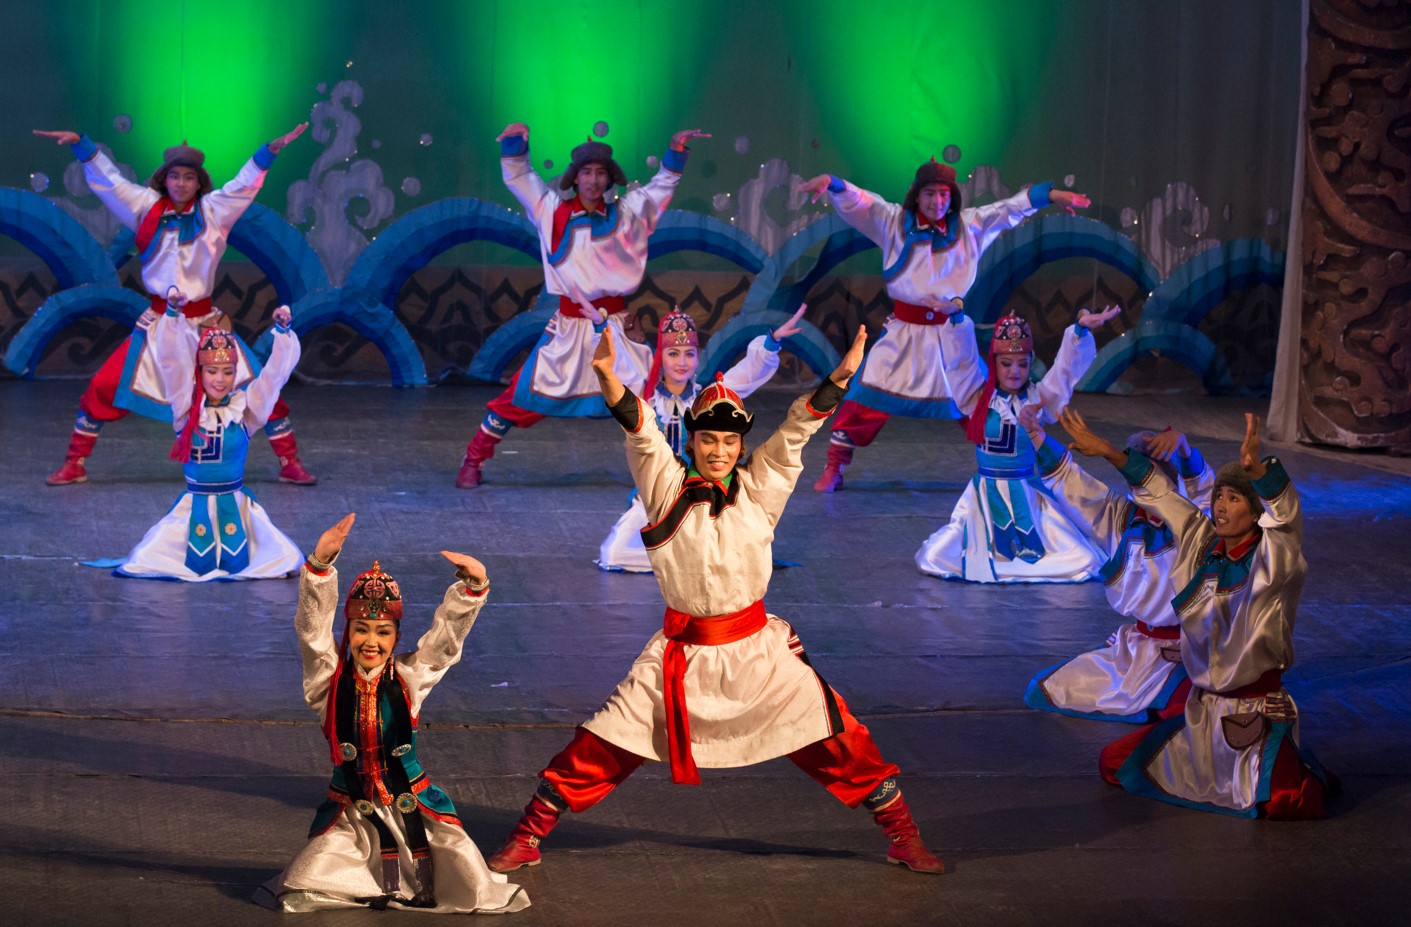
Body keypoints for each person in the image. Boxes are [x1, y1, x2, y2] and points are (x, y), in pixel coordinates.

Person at [485, 324, 945, 876]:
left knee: (840, 739)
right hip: (681, 655)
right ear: (693, 442)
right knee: (605, 742)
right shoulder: (665, 488)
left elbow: (798, 429)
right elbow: (641, 431)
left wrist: (840, 378)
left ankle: (903, 835)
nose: (720, 451)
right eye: (709, 440)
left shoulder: (760, 488)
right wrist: (607, 377)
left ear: (742, 446)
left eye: (730, 442)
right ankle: (528, 835)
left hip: (758, 654)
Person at [1060, 409, 1335, 819]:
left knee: (1287, 804)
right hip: (1203, 712)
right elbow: (1161, 494)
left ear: (1255, 511)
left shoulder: (1274, 560)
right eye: (1219, 496)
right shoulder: (1200, 542)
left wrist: (1262, 474)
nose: (1220, 506)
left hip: (1253, 713)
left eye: (1234, 498)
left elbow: (1286, 519)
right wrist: (1109, 453)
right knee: (1115, 763)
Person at [255, 513, 531, 913]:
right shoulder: (328, 683)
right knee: (303, 882)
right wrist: (319, 568)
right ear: (347, 633)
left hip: (414, 808)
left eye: (382, 632)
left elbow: (443, 647)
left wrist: (471, 589)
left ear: (397, 637)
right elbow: (312, 634)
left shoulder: (408, 677)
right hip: (352, 817)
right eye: (361, 629)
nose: (371, 642)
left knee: (465, 882)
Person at [33, 123, 318, 487]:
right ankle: (75, 463)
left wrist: (269, 151)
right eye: (174, 176)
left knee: (256, 385)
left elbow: (242, 185)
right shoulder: (145, 208)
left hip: (205, 325)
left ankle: (289, 461)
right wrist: (82, 146)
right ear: (164, 179)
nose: (181, 184)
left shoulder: (214, 211)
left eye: (188, 177)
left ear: (198, 183)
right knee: (103, 386)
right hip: (158, 324)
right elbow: (111, 183)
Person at [796, 160, 1090, 492]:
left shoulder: (969, 226)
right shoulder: (893, 222)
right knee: (863, 399)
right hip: (903, 335)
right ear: (917, 195)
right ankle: (834, 466)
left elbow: (1008, 209)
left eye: (944, 194)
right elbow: (863, 201)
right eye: (930, 193)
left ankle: (1023, 463)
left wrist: (1050, 195)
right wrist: (833, 182)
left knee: (984, 405)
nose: (937, 202)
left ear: (952, 197)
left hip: (951, 336)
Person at [455, 123, 711, 488]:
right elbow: (522, 178)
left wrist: (676, 150)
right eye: (586, 172)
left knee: (653, 398)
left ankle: (675, 468)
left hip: (618, 328)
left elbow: (661, 187)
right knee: (522, 397)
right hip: (570, 329)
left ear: (609, 179)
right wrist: (515, 144)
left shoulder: (628, 213)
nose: (593, 180)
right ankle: (474, 458)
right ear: (575, 177)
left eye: (600, 173)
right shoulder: (552, 211)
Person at [1022, 413, 1214, 722]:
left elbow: (1203, 486)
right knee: (1048, 689)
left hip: (1190, 649)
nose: (1142, 483)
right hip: (1138, 648)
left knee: (1181, 708)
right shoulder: (1123, 517)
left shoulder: (1195, 521)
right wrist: (1036, 436)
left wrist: (1184, 448)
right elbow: (1073, 484)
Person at [913, 306, 1118, 583]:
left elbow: (1064, 372)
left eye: (1022, 363)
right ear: (994, 363)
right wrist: (956, 318)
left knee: (1085, 559)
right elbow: (961, 363)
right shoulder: (977, 397)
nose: (1014, 371)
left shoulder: (1039, 398)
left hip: (1030, 497)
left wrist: (1079, 331)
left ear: (1031, 363)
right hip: (985, 499)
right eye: (1006, 363)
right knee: (937, 556)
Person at [597, 302, 805, 572]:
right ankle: (687, 557)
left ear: (697, 358)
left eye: (689, 354)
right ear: (662, 356)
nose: (682, 362)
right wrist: (600, 328)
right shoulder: (645, 395)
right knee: (613, 554)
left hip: (699, 490)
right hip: (656, 492)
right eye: (673, 354)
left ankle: (692, 552)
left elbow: (746, 374)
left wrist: (772, 341)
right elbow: (617, 369)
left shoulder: (705, 397)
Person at [113, 295, 302, 581]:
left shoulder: (244, 411)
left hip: (237, 509)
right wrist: (173, 316)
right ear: (200, 372)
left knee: (283, 559)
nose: (220, 380)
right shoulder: (187, 409)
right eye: (212, 371)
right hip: (194, 508)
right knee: (147, 560)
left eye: (227, 372)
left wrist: (283, 334)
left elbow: (272, 380)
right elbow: (172, 364)